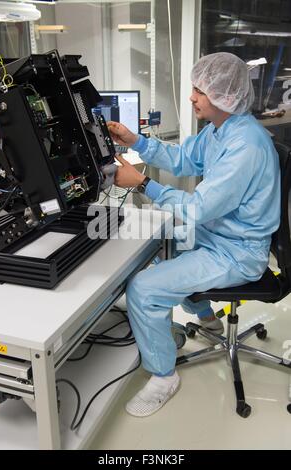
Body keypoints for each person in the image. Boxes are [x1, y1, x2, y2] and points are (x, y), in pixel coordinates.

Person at [107, 52, 280, 418]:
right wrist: (135, 140)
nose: (191, 97)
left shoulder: (246, 146)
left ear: (223, 95)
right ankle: (204, 313)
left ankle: (163, 377)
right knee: (157, 238)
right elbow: (183, 158)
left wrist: (142, 184)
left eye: (199, 91)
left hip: (237, 252)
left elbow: (198, 208)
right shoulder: (222, 129)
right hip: (217, 233)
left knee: (143, 287)